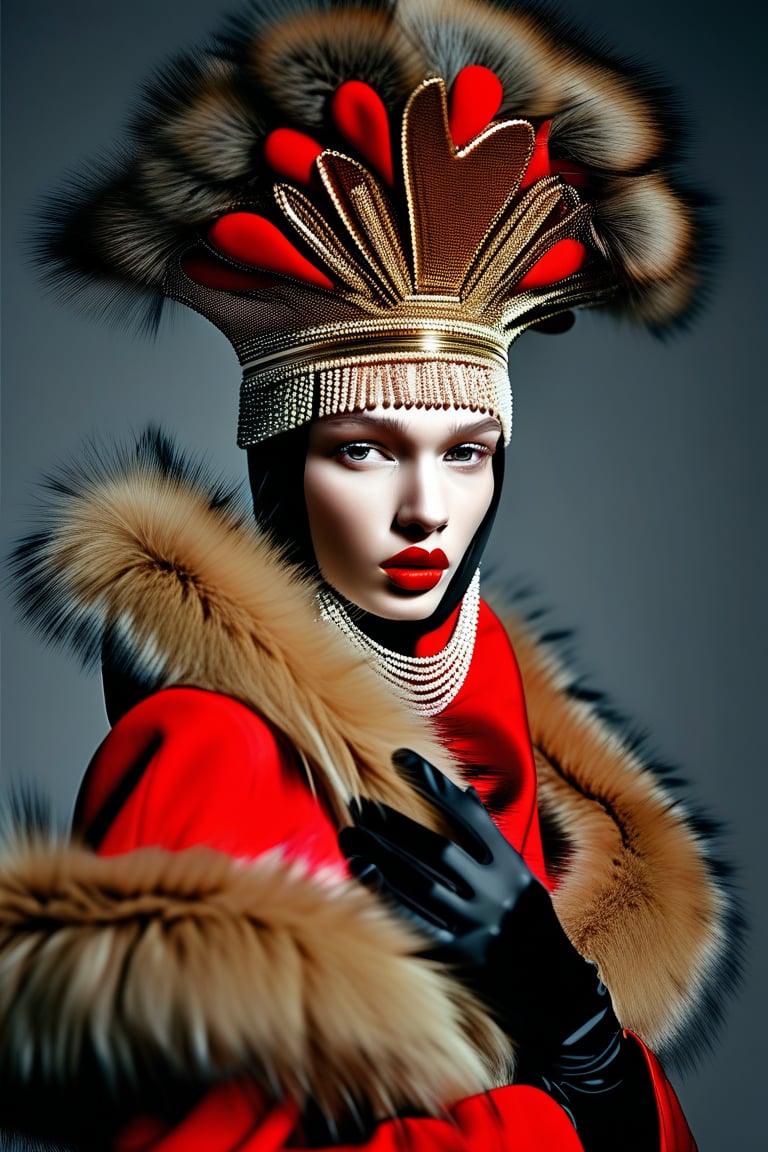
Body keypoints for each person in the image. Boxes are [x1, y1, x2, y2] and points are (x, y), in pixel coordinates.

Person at [0, 1, 741, 1150]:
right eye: (364, 450)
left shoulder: (531, 776)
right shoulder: (211, 752)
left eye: (466, 454)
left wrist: (582, 1027)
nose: (422, 508)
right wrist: (559, 1112)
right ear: (285, 469)